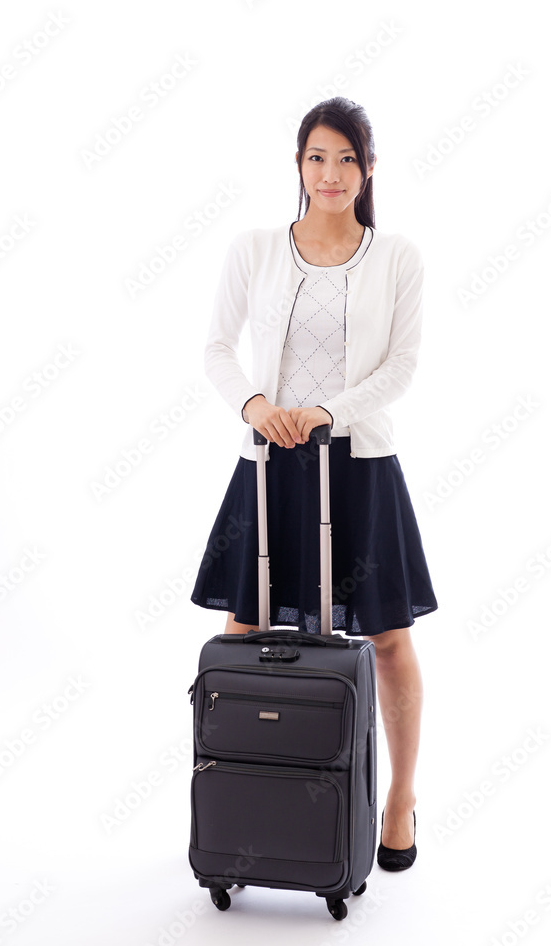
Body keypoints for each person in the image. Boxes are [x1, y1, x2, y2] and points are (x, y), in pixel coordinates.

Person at [190, 96, 438, 871]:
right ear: (297, 166)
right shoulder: (256, 248)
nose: (329, 174)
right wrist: (257, 406)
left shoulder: (395, 256)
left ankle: (397, 799)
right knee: (241, 634)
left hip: (356, 463)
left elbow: (400, 366)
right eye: (315, 158)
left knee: (388, 640)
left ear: (367, 170)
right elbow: (216, 348)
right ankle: (231, 792)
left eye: (345, 159)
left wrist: (328, 410)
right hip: (269, 463)